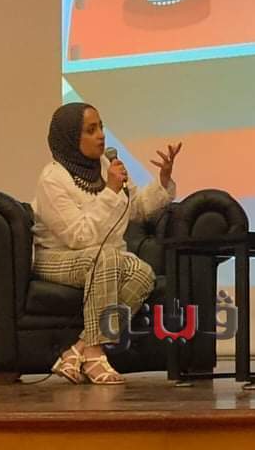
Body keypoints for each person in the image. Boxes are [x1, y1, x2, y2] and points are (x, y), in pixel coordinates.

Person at [31, 102, 182, 385]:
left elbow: (137, 208)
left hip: (102, 257)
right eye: (91, 130)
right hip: (56, 257)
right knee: (106, 257)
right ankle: (95, 354)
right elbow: (79, 237)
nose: (101, 135)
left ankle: (80, 348)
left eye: (101, 127)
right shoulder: (52, 179)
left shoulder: (105, 166)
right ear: (70, 138)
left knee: (142, 273)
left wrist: (162, 180)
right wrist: (111, 191)